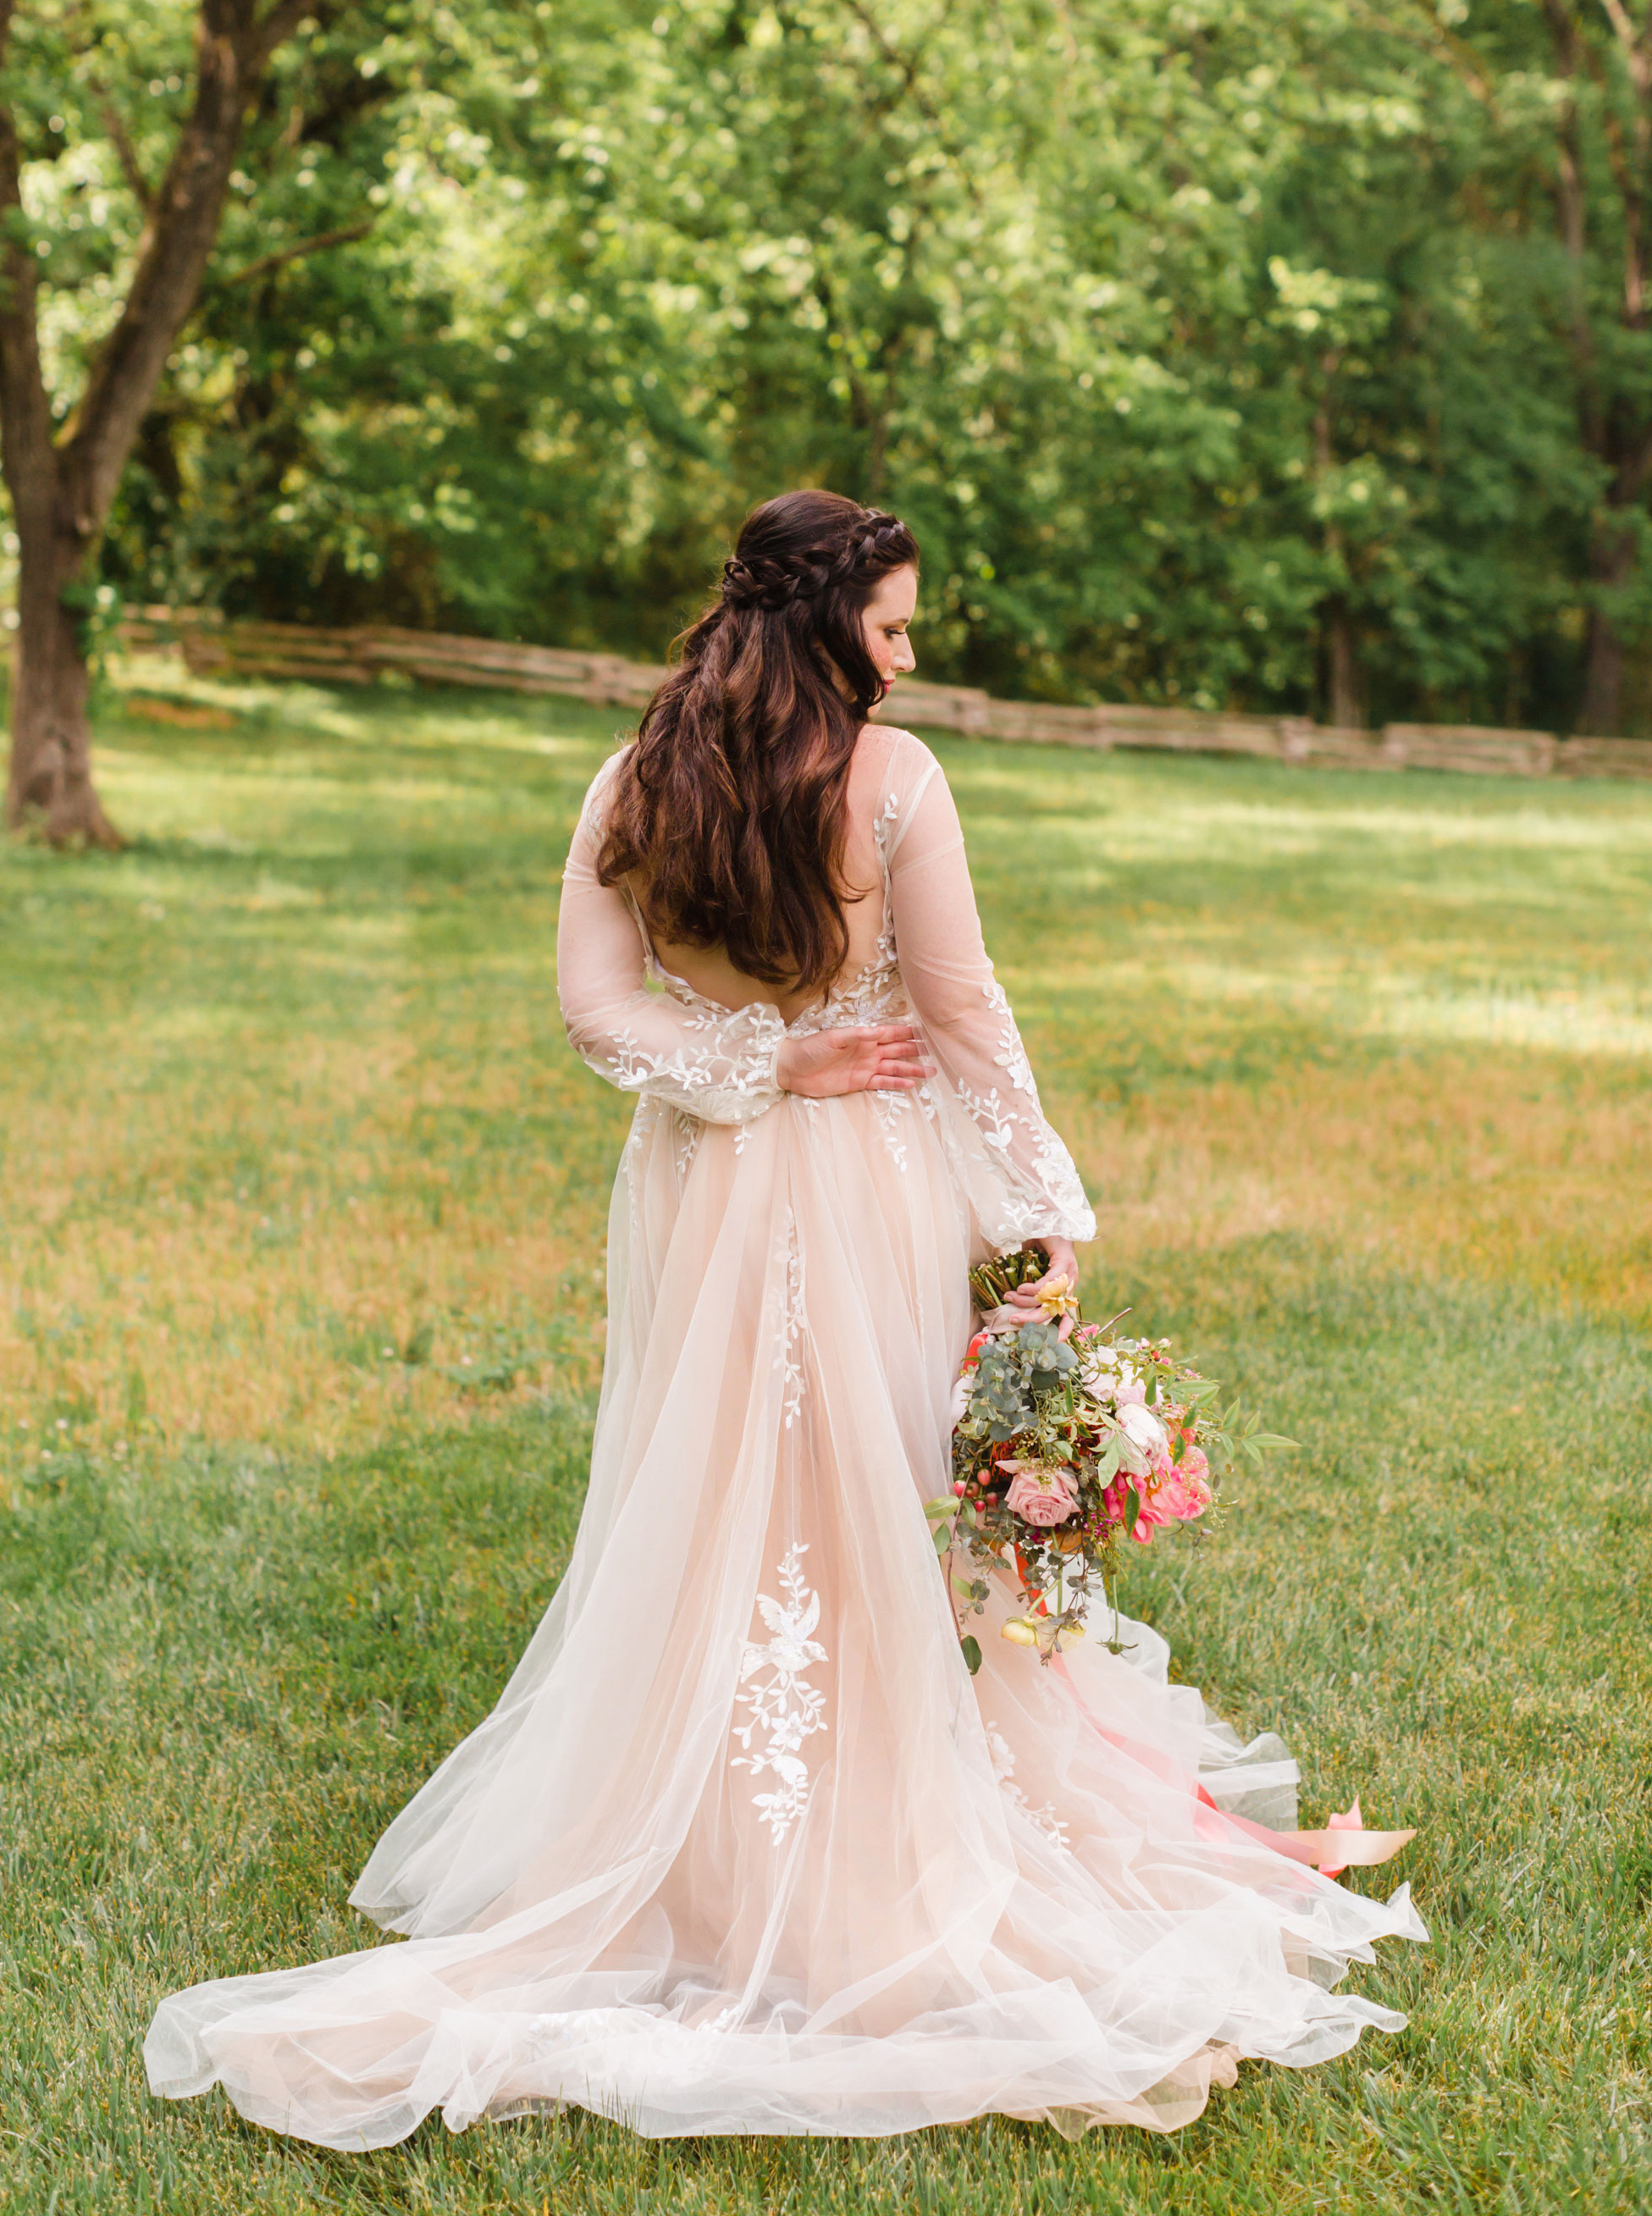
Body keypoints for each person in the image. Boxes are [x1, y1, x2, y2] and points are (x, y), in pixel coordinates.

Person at [144, 489, 1423, 2148]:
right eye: (891, 627)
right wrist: (1041, 1207)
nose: (909, 656)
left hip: (700, 1178)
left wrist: (742, 1064)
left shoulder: (635, 779)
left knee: (733, 1487)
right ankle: (865, 1833)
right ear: (827, 626)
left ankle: (715, 1834)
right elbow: (962, 1011)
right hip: (866, 1179)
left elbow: (597, 1014)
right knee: (861, 1481)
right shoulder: (894, 784)